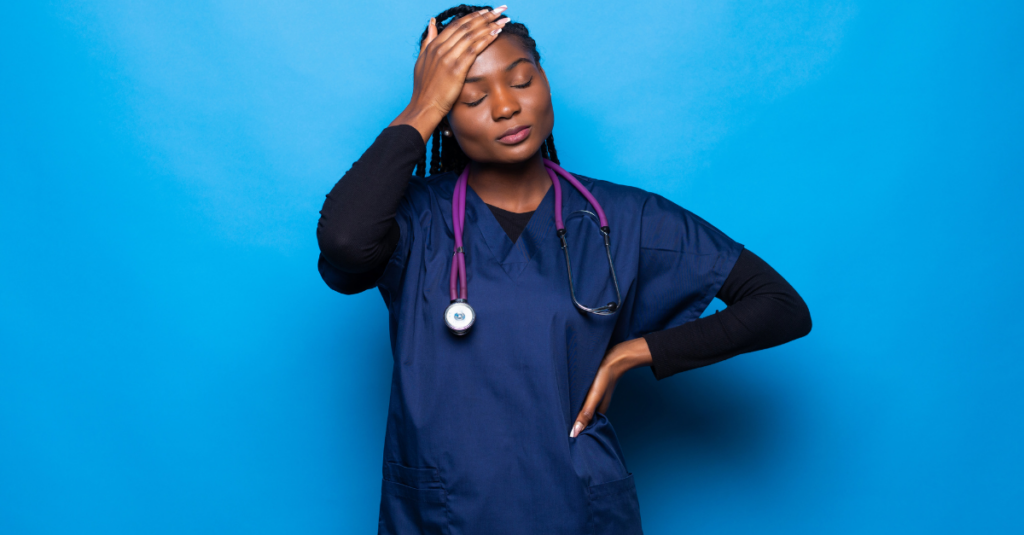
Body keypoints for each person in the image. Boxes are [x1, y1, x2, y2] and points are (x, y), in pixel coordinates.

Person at [316, 5, 812, 534]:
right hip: (445, 513)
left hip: (576, 508)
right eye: (472, 96)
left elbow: (780, 308)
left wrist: (636, 353)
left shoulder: (623, 218)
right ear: (446, 118)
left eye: (522, 79)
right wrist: (423, 103)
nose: (507, 107)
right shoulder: (415, 220)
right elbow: (345, 242)